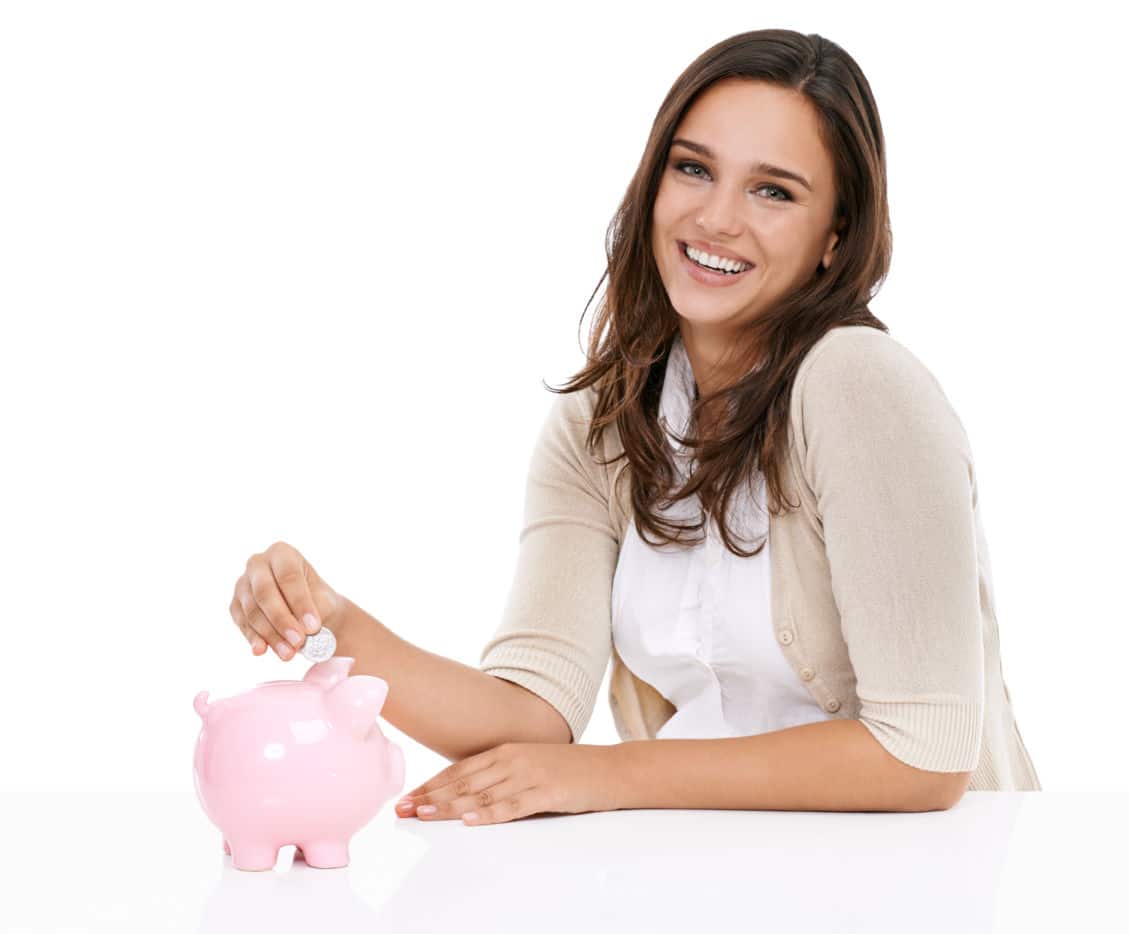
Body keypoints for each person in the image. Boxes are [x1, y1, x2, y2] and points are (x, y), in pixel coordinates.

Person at [228, 29, 1041, 823]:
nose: (717, 218)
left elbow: (925, 754)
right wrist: (331, 623)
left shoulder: (861, 385)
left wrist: (607, 775)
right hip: (712, 879)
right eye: (694, 169)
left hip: (929, 889)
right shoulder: (602, 423)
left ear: (835, 236)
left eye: (774, 190)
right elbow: (532, 715)